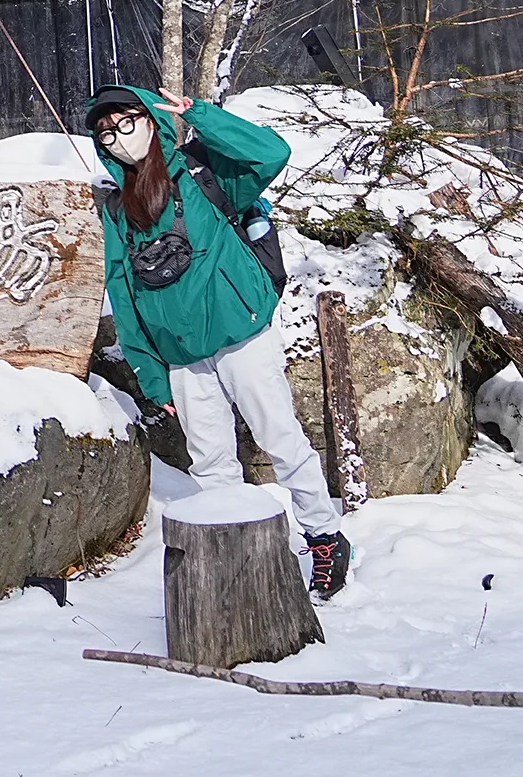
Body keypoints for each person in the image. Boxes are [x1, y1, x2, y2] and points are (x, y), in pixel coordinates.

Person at [85, 84, 352, 598]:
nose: (119, 137)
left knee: (279, 439)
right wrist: (151, 375)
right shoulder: (119, 209)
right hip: (180, 353)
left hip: (239, 330)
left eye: (127, 122)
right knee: (210, 463)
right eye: (107, 132)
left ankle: (323, 537)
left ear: (150, 121)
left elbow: (273, 153)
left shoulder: (203, 171)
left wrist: (200, 116)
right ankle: (236, 551)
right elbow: (124, 291)